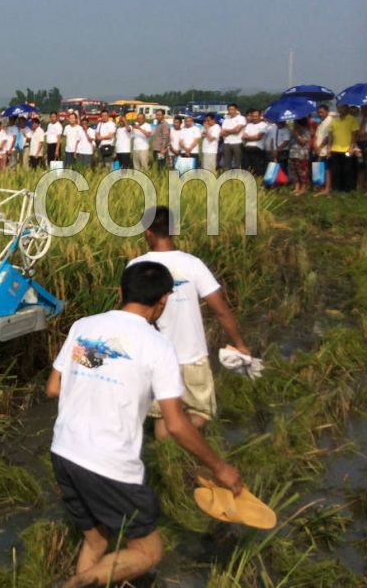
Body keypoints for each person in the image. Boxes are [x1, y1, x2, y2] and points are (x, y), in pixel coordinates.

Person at [46, 261, 243, 588]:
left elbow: (54, 388)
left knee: (96, 540)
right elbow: (177, 425)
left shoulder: (85, 326)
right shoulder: (158, 347)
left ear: (121, 291)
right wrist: (219, 467)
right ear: (163, 301)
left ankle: (81, 579)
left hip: (64, 452)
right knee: (149, 553)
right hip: (108, 465)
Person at [128, 206, 251, 438]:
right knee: (202, 412)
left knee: (162, 415)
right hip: (193, 356)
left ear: (147, 233)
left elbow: (127, 316)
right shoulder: (193, 264)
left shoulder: (135, 267)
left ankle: (167, 459)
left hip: (154, 359)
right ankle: (182, 443)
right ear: (174, 231)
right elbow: (221, 311)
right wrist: (239, 343)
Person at [328, 104, 360, 193]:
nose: (340, 109)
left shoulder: (352, 119)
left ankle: (348, 190)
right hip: (335, 149)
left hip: (346, 149)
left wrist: (351, 147)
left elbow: (354, 135)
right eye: (338, 107)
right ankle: (337, 189)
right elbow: (330, 136)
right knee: (336, 171)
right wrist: (329, 148)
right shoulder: (334, 121)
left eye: (342, 107)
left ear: (346, 108)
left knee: (347, 170)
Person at [289, 118, 312, 196]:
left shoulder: (305, 131)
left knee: (302, 172)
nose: (294, 124)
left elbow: (303, 142)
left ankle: (303, 188)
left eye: (295, 122)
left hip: (302, 155)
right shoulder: (293, 131)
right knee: (294, 172)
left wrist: (297, 135)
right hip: (293, 153)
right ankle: (297, 187)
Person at [220, 104, 246, 170]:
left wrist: (227, 130)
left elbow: (237, 130)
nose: (231, 111)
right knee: (226, 163)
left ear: (236, 110)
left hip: (237, 142)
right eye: (229, 109)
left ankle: (237, 177)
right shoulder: (226, 120)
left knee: (238, 162)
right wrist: (232, 130)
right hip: (227, 142)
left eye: (232, 109)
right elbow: (222, 133)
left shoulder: (241, 118)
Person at [240, 109, 267, 174]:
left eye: (256, 116)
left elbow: (258, 137)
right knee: (246, 167)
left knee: (257, 168)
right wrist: (253, 137)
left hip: (258, 149)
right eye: (253, 116)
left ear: (260, 116)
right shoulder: (249, 125)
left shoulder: (264, 125)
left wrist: (248, 137)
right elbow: (243, 137)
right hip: (247, 148)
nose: (254, 118)